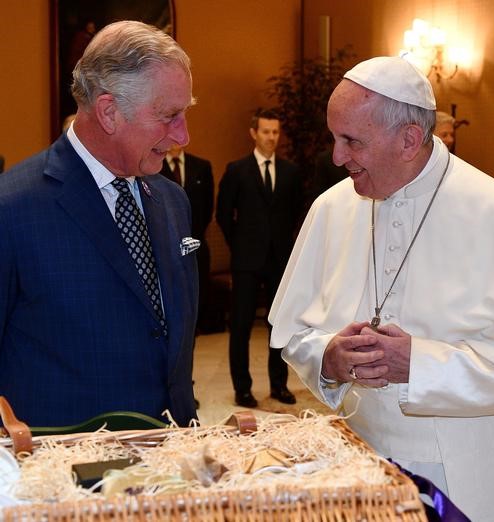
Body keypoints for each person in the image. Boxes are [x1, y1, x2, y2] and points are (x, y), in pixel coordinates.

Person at [269, 56, 494, 521]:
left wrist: (421, 365)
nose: (337, 157)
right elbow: (294, 332)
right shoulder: (331, 208)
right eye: (334, 138)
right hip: (359, 457)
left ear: (408, 140)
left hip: (466, 465)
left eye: (351, 141)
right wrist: (328, 358)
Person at [0, 21, 198, 427]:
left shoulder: (172, 199)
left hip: (171, 460)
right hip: (66, 471)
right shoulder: (12, 208)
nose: (184, 136)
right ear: (109, 111)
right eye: (169, 116)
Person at [216, 108, 303, 407]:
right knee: (240, 326)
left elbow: (295, 214)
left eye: (275, 132)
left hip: (279, 260)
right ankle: (242, 388)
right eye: (266, 131)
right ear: (254, 133)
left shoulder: (291, 172)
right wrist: (239, 246)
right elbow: (224, 215)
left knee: (278, 326)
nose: (271, 137)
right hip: (247, 262)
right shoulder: (236, 170)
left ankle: (279, 384)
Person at [160, 145, 215, 334]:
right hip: (163, 250)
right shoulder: (153, 166)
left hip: (195, 247)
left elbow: (208, 209)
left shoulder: (202, 166)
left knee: (193, 310)